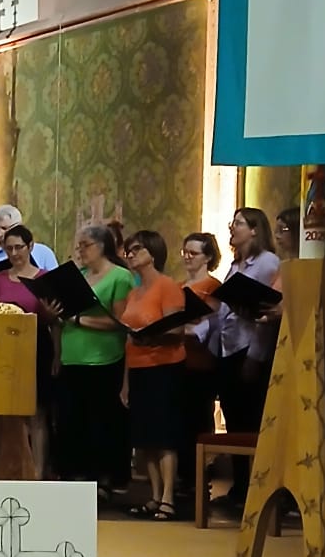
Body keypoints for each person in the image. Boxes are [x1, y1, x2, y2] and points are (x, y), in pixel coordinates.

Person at [54, 223, 132, 499]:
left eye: (85, 245)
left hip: (103, 359)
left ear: (101, 246)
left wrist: (79, 319)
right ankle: (75, 476)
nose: (81, 251)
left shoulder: (120, 277)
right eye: (79, 246)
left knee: (100, 422)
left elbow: (121, 322)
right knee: (72, 421)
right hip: (72, 356)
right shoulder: (80, 276)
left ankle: (102, 479)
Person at [119, 230, 187, 520]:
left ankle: (169, 497)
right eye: (129, 250)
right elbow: (128, 338)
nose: (131, 254)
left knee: (163, 435)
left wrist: (151, 336)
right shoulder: (134, 292)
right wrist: (125, 383)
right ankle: (155, 495)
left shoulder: (167, 286)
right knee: (144, 436)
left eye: (137, 249)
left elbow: (177, 328)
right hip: (138, 367)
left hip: (164, 367)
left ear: (153, 252)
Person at [0, 223, 56, 476]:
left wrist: (58, 354)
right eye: (9, 248)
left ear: (30, 246)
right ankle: (11, 469)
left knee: (38, 412)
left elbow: (55, 321)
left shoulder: (44, 278)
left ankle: (38, 471)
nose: (14, 253)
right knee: (9, 413)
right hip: (5, 349)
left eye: (19, 247)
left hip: (37, 345)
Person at [220, 206, 281, 439]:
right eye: (232, 223)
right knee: (233, 418)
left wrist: (255, 356)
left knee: (249, 418)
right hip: (228, 346)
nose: (232, 228)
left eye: (239, 223)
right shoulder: (235, 264)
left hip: (248, 347)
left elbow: (266, 311)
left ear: (255, 230)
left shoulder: (267, 262)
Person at [178, 232, 224, 499]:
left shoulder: (212, 286)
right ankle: (184, 477)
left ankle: (198, 480)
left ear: (207, 257)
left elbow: (208, 325)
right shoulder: (178, 286)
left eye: (193, 253)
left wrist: (182, 327)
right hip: (178, 359)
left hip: (202, 361)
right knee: (180, 422)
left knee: (198, 420)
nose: (187, 257)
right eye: (184, 252)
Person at [0, 204, 58, 272]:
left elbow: (56, 282)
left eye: (4, 228)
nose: (0, 234)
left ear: (18, 227)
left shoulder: (44, 253)